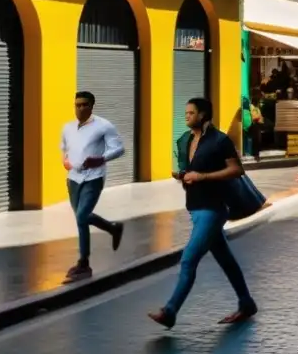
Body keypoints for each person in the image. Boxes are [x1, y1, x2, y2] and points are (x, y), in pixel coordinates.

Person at [149, 98, 257, 329]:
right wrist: (183, 176)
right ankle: (246, 302)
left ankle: (170, 311)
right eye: (185, 112)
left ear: (203, 114)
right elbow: (189, 173)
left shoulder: (219, 140)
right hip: (195, 208)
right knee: (226, 260)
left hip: (214, 209)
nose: (186, 116)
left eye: (191, 113)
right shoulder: (184, 141)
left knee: (188, 260)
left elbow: (237, 169)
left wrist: (203, 177)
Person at [60, 91, 126, 284]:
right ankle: (110, 231)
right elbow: (64, 148)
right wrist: (65, 160)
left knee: (82, 216)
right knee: (81, 220)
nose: (80, 108)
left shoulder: (104, 126)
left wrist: (101, 159)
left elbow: (119, 148)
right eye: (77, 105)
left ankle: (84, 262)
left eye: (84, 105)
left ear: (92, 106)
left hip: (94, 177)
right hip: (73, 178)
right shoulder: (68, 128)